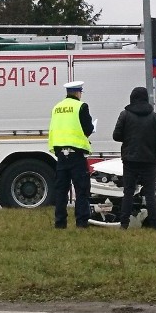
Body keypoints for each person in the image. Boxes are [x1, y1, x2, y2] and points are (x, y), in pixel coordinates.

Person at [113, 86, 156, 229]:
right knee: (150, 194)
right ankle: (155, 225)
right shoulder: (155, 117)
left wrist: (128, 137)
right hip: (149, 161)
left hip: (130, 160)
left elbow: (116, 136)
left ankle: (124, 224)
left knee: (128, 193)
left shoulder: (125, 115)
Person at [47, 80, 94, 229]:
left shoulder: (57, 108)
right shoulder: (81, 106)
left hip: (61, 155)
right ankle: (81, 222)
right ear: (78, 92)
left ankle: (60, 223)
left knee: (61, 191)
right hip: (76, 155)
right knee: (82, 190)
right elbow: (88, 129)